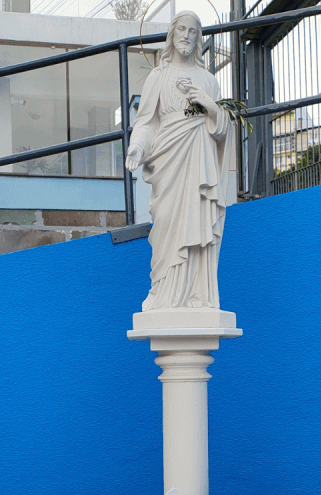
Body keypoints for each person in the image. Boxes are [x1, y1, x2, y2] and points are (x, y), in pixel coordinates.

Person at [125, 11, 233, 312]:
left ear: (199, 38)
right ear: (172, 35)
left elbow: (221, 128)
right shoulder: (159, 77)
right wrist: (137, 147)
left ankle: (197, 295)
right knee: (168, 224)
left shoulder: (209, 81)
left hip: (200, 158)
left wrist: (209, 105)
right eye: (181, 29)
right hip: (168, 162)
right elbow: (147, 123)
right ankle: (164, 293)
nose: (186, 35)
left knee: (198, 224)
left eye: (193, 31)